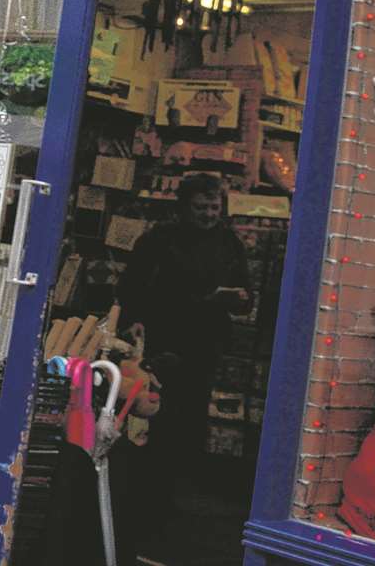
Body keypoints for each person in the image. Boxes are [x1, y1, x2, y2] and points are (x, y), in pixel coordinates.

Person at [116, 173, 251, 518]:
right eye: (201, 207)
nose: (209, 214)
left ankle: (172, 495)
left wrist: (239, 298)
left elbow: (246, 293)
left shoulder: (229, 243)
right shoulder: (160, 239)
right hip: (164, 340)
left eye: (214, 207)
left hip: (205, 344)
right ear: (184, 207)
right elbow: (131, 286)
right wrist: (133, 320)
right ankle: (143, 492)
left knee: (190, 420)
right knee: (155, 414)